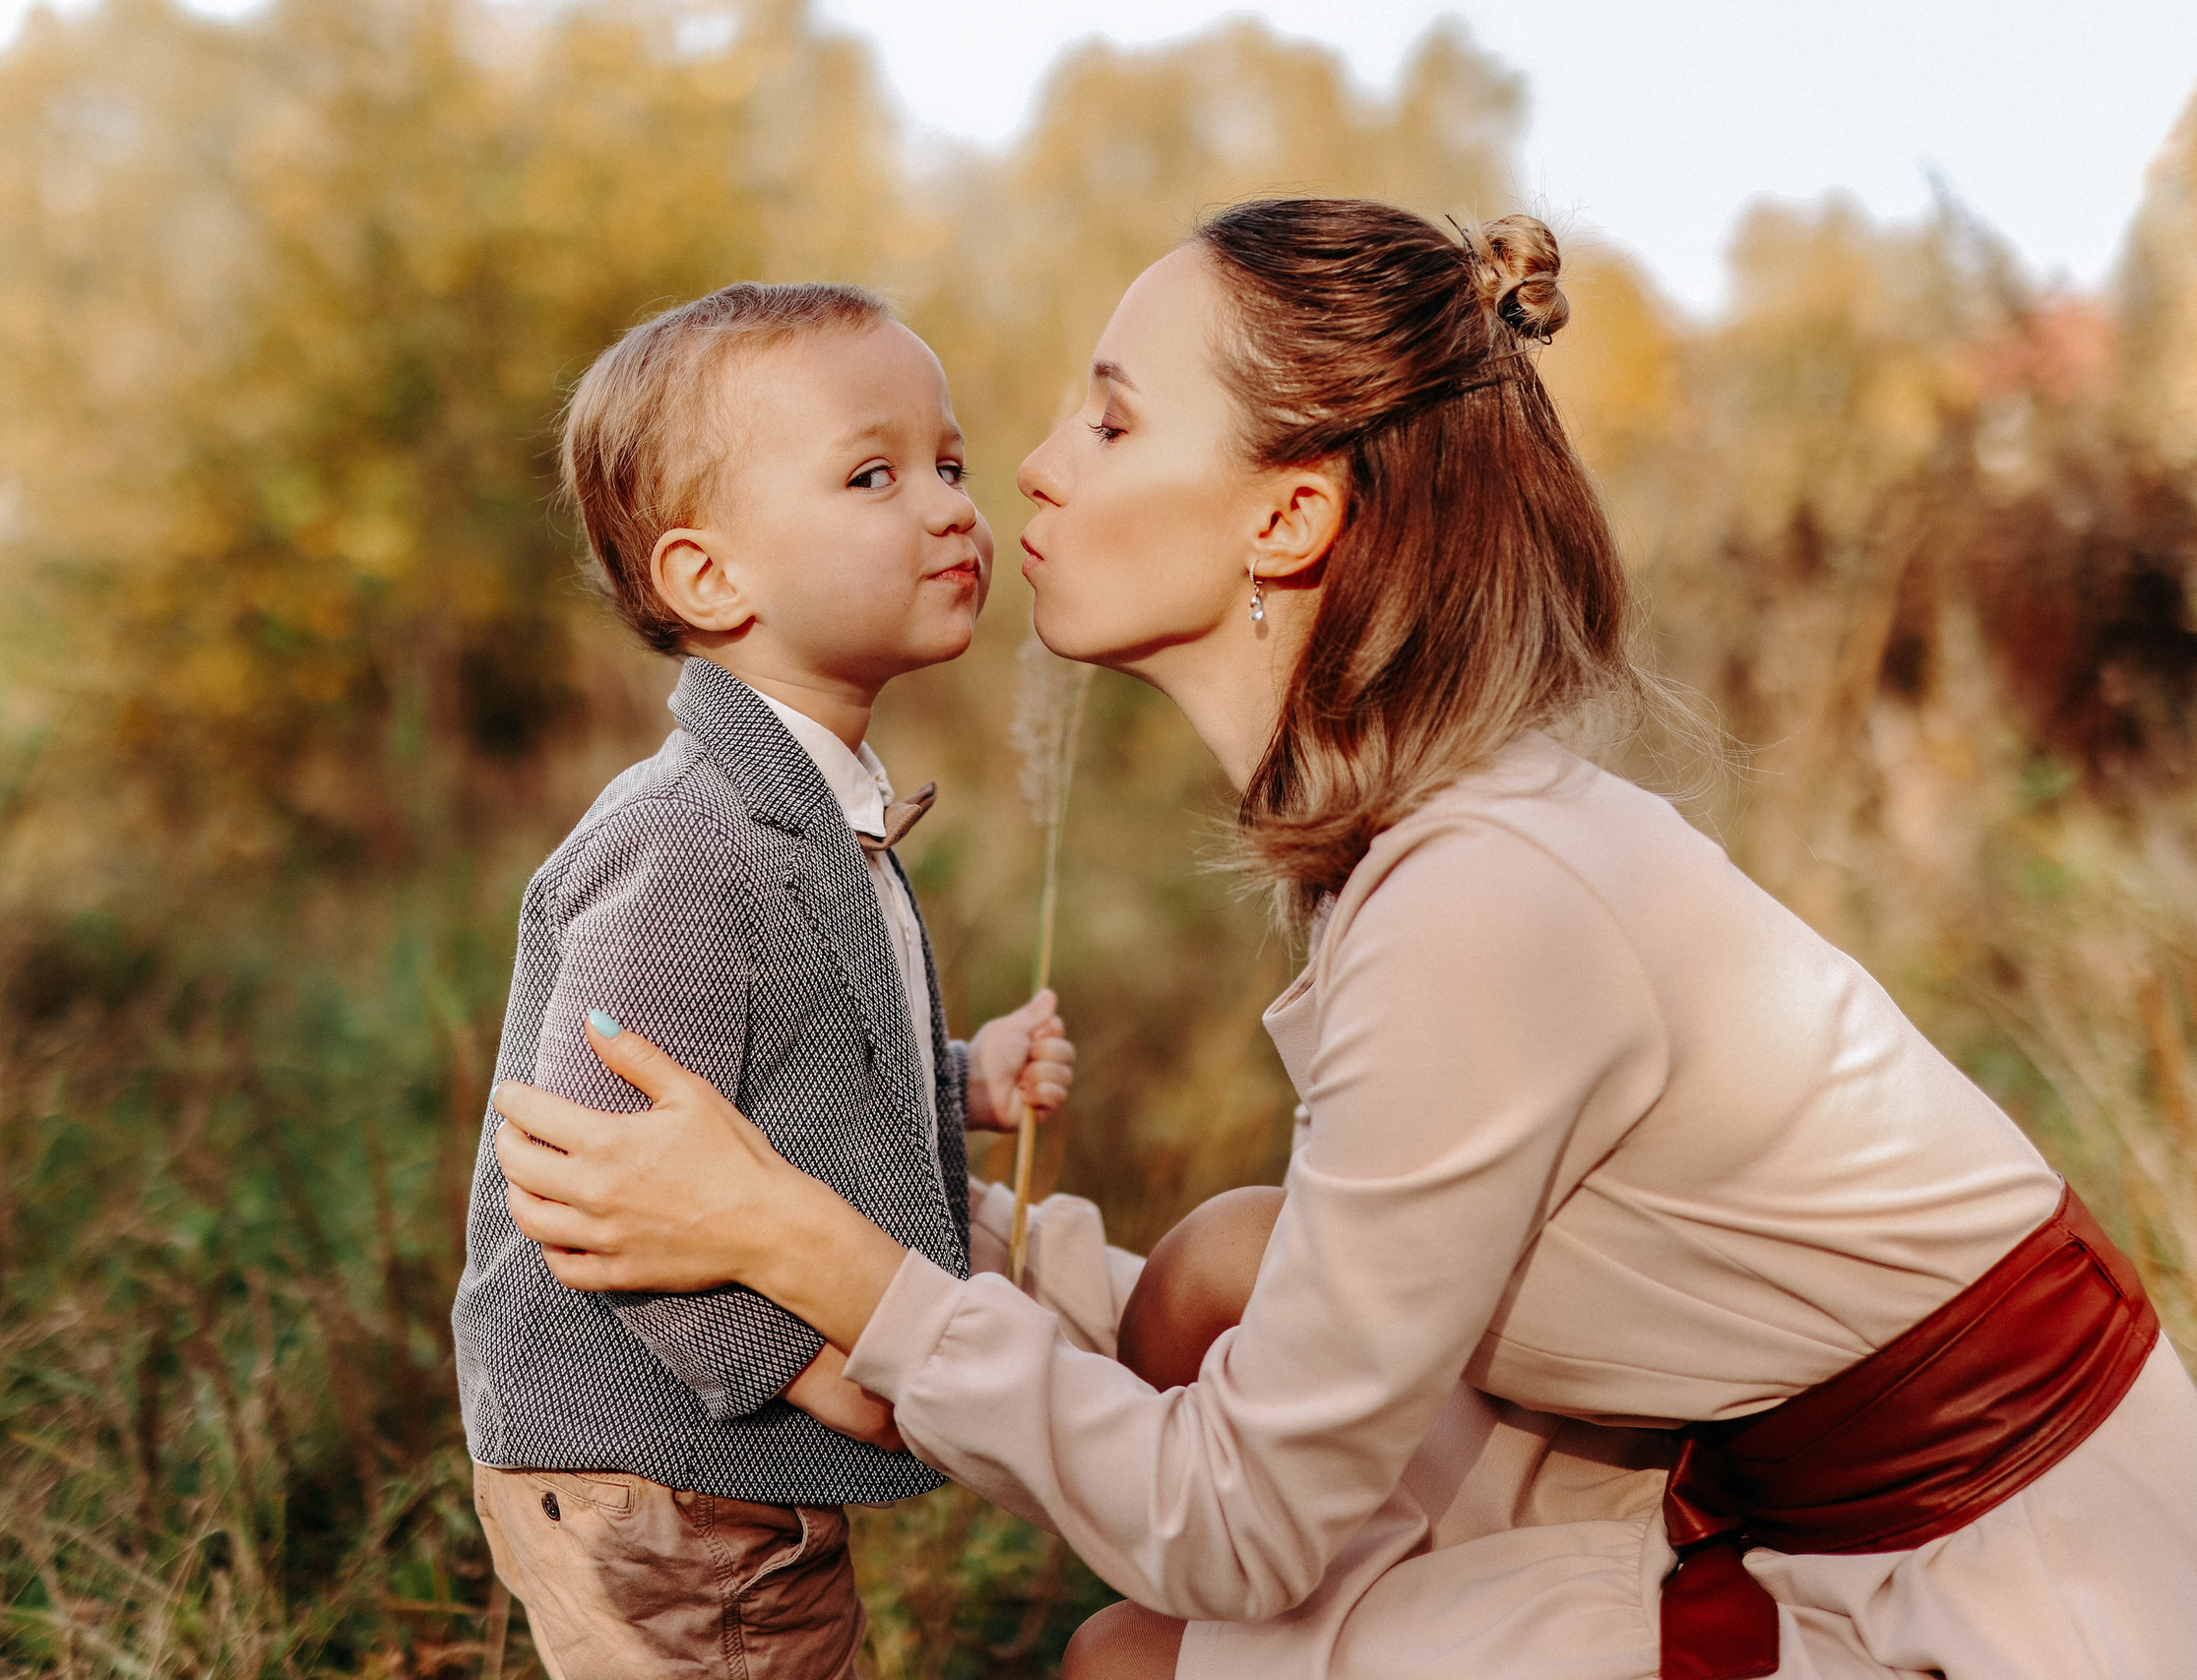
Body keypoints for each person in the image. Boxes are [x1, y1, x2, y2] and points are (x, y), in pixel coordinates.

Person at [483, 203, 2197, 1679]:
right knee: (1223, 1271)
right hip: (1768, 1476)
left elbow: (1230, 1530)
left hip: (1976, 1596)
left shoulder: (1481, 908)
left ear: (1285, 522)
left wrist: (816, 1260)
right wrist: (863, 1232)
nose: (1022, 472)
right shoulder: (1416, 834)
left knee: (1132, 1656)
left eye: (1110, 422)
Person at [449, 280, 1075, 1680]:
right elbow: (594, 1177)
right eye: (874, 474)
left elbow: (794, 1055)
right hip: (654, 1470)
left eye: (951, 465)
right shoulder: (686, 843)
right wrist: (803, 1365)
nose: (949, 506)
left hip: (705, 1465)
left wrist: (962, 1076)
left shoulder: (804, 807)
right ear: (708, 578)